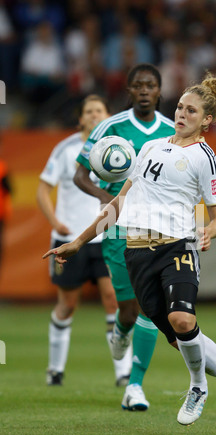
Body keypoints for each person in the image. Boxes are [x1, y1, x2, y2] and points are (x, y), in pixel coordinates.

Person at [43, 73, 216, 427]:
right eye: (179, 107)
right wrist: (79, 242)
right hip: (137, 253)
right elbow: (118, 203)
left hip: (177, 248)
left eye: (191, 111)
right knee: (181, 339)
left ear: (206, 120)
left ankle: (198, 386)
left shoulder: (206, 158)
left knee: (182, 319)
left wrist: (208, 232)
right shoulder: (150, 148)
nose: (182, 114)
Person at [73, 63, 175, 411]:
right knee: (128, 309)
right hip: (116, 226)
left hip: (156, 227)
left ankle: (134, 386)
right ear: (129, 90)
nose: (144, 90)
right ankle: (120, 329)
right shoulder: (109, 127)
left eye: (151, 85)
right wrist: (107, 199)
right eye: (138, 85)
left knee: (149, 306)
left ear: (160, 91)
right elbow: (79, 175)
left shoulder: (173, 131)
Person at [37, 94, 132, 387]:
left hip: (106, 234)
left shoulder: (118, 147)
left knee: (112, 300)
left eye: (99, 110)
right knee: (67, 305)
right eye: (88, 111)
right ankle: (55, 370)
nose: (94, 115)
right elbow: (43, 189)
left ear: (108, 115)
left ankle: (123, 374)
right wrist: (55, 223)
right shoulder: (65, 149)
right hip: (69, 237)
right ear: (80, 118)